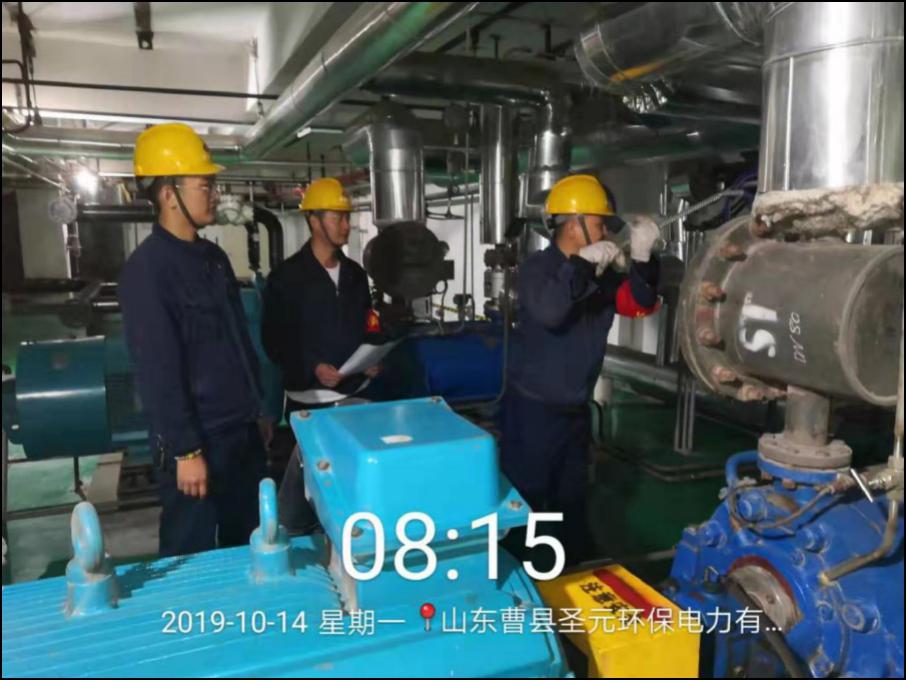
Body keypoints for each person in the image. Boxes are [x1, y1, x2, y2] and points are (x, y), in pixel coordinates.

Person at [119, 122, 270, 557]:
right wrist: (185, 451)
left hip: (241, 431)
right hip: (198, 442)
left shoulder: (213, 257)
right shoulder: (147, 271)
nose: (215, 194)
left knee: (251, 547)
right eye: (205, 185)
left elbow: (237, 340)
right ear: (169, 195)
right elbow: (159, 370)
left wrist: (257, 409)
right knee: (192, 555)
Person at [501, 174, 662, 564]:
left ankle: (572, 566)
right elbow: (551, 312)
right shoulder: (538, 269)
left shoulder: (602, 273)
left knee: (571, 497)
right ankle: (517, 572)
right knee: (526, 496)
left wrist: (643, 260)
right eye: (599, 222)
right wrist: (581, 266)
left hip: (575, 408)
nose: (605, 231)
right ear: (573, 225)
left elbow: (639, 303)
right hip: (533, 410)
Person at [261, 177, 380, 533]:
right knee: (311, 495)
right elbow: (274, 341)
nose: (346, 224)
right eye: (338, 216)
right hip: (310, 404)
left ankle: (349, 547)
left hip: (356, 398)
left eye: (347, 217)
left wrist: (373, 355)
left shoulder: (356, 275)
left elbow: (369, 323)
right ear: (313, 220)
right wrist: (313, 367)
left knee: (353, 492)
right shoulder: (286, 279)